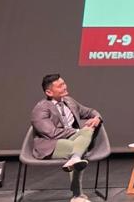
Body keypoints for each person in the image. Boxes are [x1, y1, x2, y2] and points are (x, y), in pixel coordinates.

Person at [30, 74, 103, 202]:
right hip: (51, 144)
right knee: (78, 144)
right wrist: (78, 131)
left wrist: (97, 118)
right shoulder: (41, 108)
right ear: (49, 92)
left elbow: (90, 111)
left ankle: (75, 160)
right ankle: (77, 194)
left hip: (73, 139)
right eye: (60, 86)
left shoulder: (69, 102)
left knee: (87, 131)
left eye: (64, 83)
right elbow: (52, 133)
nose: (64, 87)